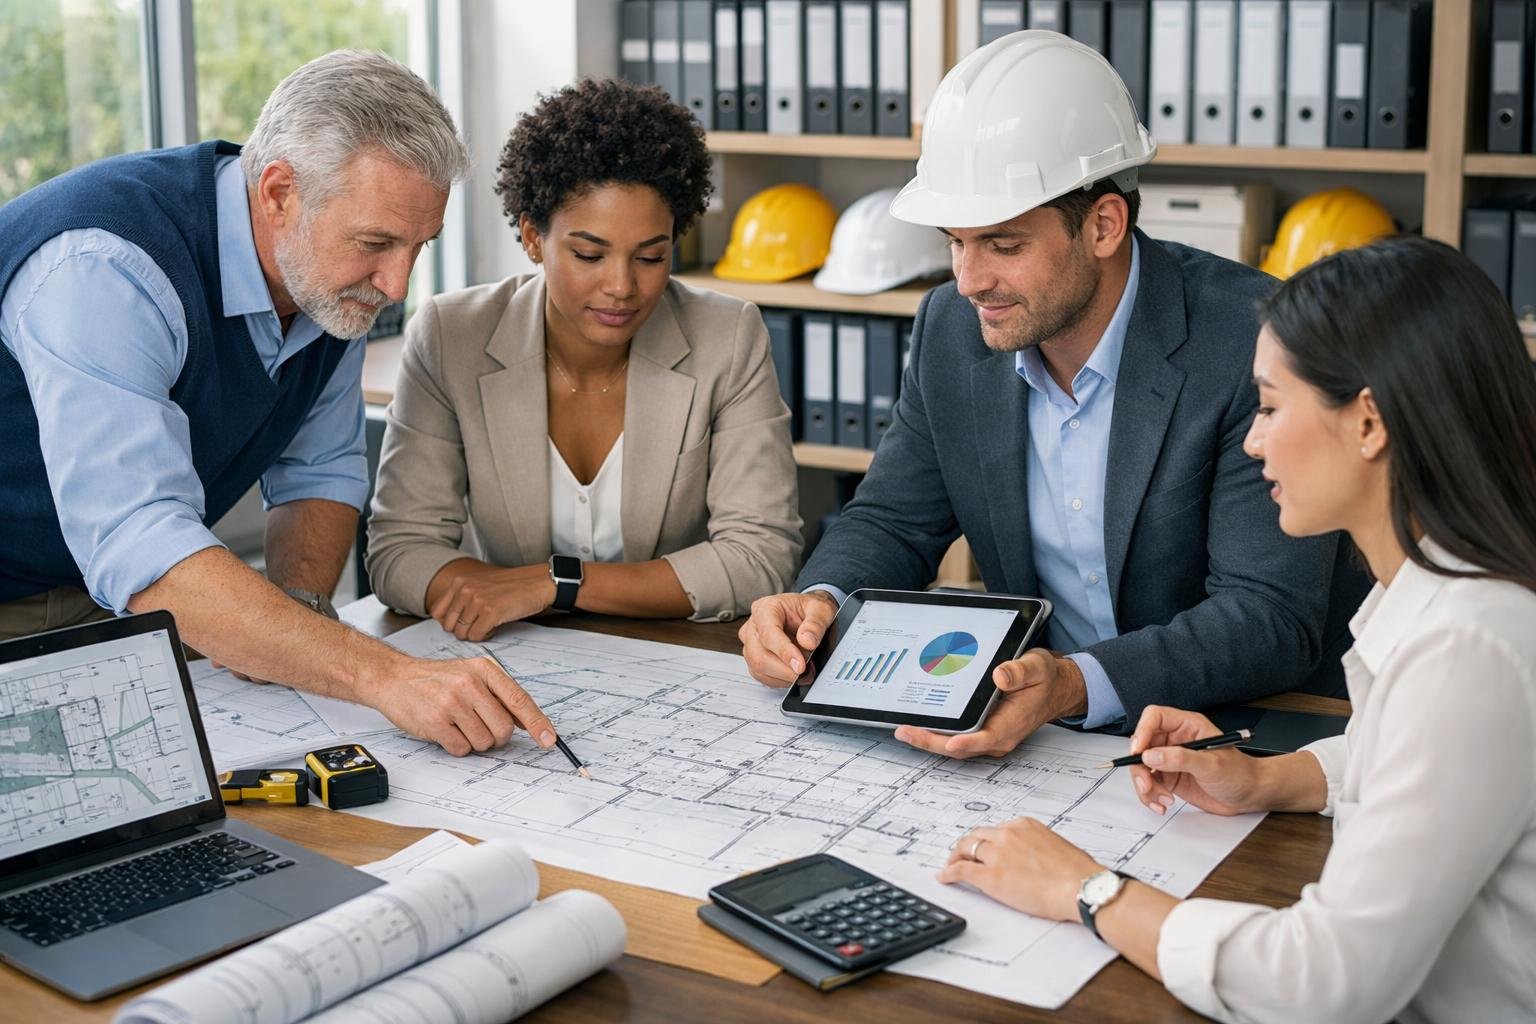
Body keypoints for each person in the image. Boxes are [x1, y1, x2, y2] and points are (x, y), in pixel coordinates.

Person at [940, 235, 1536, 1024]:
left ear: (1368, 423)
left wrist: (1083, 889)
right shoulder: (1454, 599)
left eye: (1270, 405)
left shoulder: (1470, 647)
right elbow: (1433, 757)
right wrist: (1270, 778)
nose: (1253, 441)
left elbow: (1325, 983)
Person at [738, 31, 1366, 757]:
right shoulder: (952, 327)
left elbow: (1268, 617)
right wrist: (819, 602)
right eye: (956, 242)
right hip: (1040, 734)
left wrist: (1075, 681)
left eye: (1004, 245)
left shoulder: (1251, 339)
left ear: (1103, 225)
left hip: (1244, 733)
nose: (969, 280)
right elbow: (892, 521)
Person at [0, 50, 560, 758]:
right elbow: (140, 543)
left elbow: (317, 474)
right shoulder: (104, 268)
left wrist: (293, 619)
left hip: (113, 595)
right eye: (376, 244)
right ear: (278, 194)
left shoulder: (329, 282)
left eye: (418, 246)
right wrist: (383, 676)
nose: (397, 285)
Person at [366, 77, 801, 639]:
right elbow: (400, 549)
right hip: (513, 652)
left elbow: (762, 555)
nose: (622, 286)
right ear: (531, 238)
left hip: (675, 654)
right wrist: (487, 591)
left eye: (651, 256)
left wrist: (554, 583)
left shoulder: (728, 337)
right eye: (589, 254)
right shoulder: (452, 336)